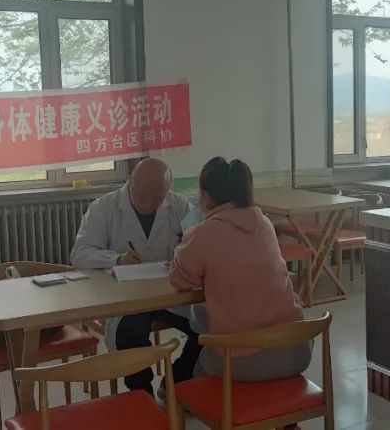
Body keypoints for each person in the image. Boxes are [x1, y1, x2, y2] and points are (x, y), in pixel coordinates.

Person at [169, 157, 310, 382]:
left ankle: (174, 391)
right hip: (296, 350)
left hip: (242, 361)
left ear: (206, 197)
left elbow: (179, 280)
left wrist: (182, 246)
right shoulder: (264, 224)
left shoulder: (203, 233)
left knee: (196, 367)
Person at [70, 157, 200, 395]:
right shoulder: (103, 208)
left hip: (171, 293)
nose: (149, 204)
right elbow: (79, 254)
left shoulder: (179, 205)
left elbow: (201, 240)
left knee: (208, 326)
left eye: (157, 198)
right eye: (142, 197)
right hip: (128, 298)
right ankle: (142, 394)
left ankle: (177, 383)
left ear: (168, 190)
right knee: (130, 333)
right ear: (130, 181)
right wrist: (116, 259)